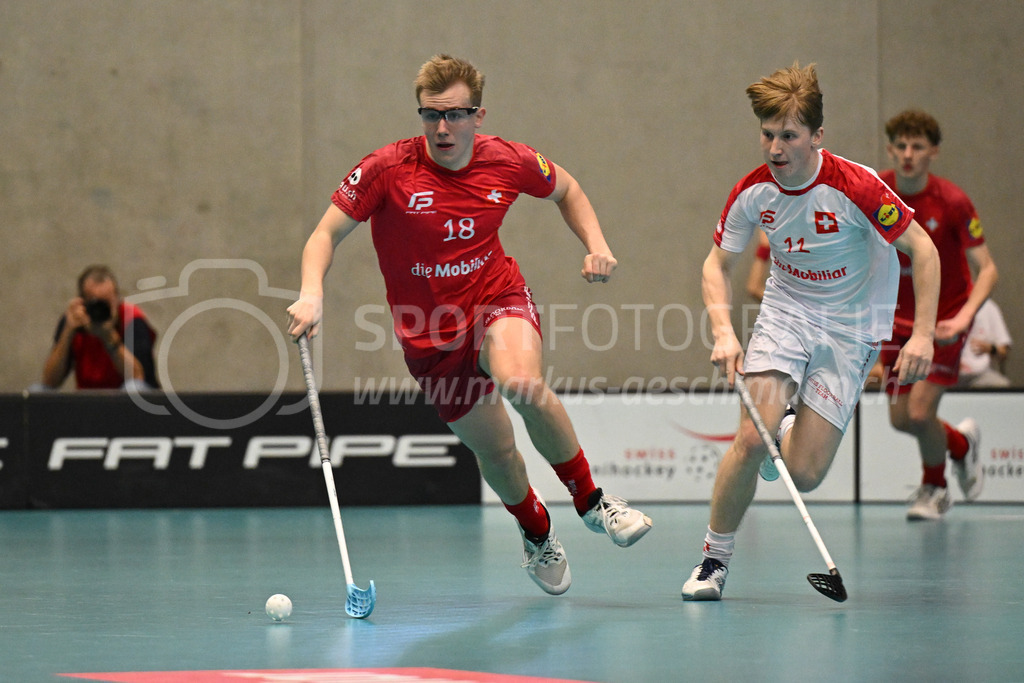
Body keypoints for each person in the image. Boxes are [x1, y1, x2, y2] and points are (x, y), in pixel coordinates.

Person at [286, 54, 652, 596]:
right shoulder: (387, 170)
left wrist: (597, 245)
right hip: (428, 336)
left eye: (455, 115)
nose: (442, 128)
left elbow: (567, 190)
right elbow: (324, 234)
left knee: (522, 382)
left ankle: (593, 501)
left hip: (495, 297)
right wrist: (311, 294)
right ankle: (536, 532)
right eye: (431, 115)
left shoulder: (509, 160)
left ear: (478, 115)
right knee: (497, 451)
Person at [682, 63, 940, 601]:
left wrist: (921, 336)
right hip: (787, 313)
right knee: (751, 439)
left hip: (851, 330)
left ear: (816, 136)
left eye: (789, 136)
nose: (775, 148)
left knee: (804, 475)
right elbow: (715, 266)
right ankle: (713, 560)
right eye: (768, 134)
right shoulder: (753, 192)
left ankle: (790, 422)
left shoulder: (856, 186)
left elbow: (924, 248)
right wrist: (724, 331)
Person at [876, 109, 996, 520]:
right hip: (894, 324)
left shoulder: (953, 201)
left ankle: (936, 488)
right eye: (901, 146)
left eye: (918, 147)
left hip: (944, 321)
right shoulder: (876, 190)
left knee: (920, 412)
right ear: (890, 149)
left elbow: (988, 269)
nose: (908, 154)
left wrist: (963, 320)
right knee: (900, 420)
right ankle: (962, 445)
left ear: (934, 152)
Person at [39, 265, 159, 391]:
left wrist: (109, 337)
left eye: (107, 303)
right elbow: (49, 381)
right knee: (37, 391)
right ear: (82, 302)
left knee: (134, 389)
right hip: (89, 400)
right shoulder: (75, 322)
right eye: (96, 303)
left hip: (127, 401)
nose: (101, 310)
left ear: (118, 298)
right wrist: (68, 332)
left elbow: (138, 378)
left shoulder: (132, 321)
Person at [958, 299, 1011, 388]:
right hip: (946, 373)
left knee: (1002, 386)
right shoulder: (944, 303)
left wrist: (990, 349)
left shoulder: (989, 307)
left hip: (980, 374)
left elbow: (1004, 351)